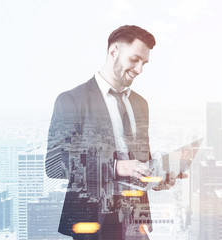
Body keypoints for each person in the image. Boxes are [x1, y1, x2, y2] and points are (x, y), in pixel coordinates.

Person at [45, 25, 178, 240]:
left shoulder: (140, 104)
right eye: (134, 60)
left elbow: (140, 160)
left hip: (136, 222)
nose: (139, 70)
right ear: (113, 52)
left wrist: (159, 175)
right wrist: (116, 167)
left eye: (144, 63)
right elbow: (53, 165)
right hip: (94, 222)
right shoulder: (71, 100)